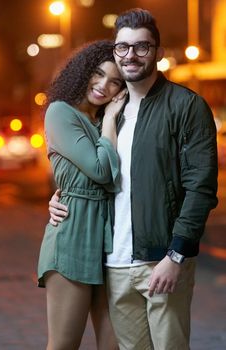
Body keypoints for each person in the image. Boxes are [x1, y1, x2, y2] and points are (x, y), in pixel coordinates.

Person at [49, 8, 218, 350]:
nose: (131, 55)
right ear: (115, 51)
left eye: (142, 47)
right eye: (123, 47)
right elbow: (94, 174)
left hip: (161, 260)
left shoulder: (185, 106)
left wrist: (176, 256)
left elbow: (200, 187)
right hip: (115, 264)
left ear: (158, 51)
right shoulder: (110, 114)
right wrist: (58, 197)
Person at [37, 39, 127, 350]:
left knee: (115, 344)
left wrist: (110, 122)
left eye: (115, 82)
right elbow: (102, 172)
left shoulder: (102, 121)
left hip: (112, 243)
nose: (104, 86)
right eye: (98, 74)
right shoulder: (61, 113)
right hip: (73, 236)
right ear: (83, 72)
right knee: (64, 344)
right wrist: (112, 122)